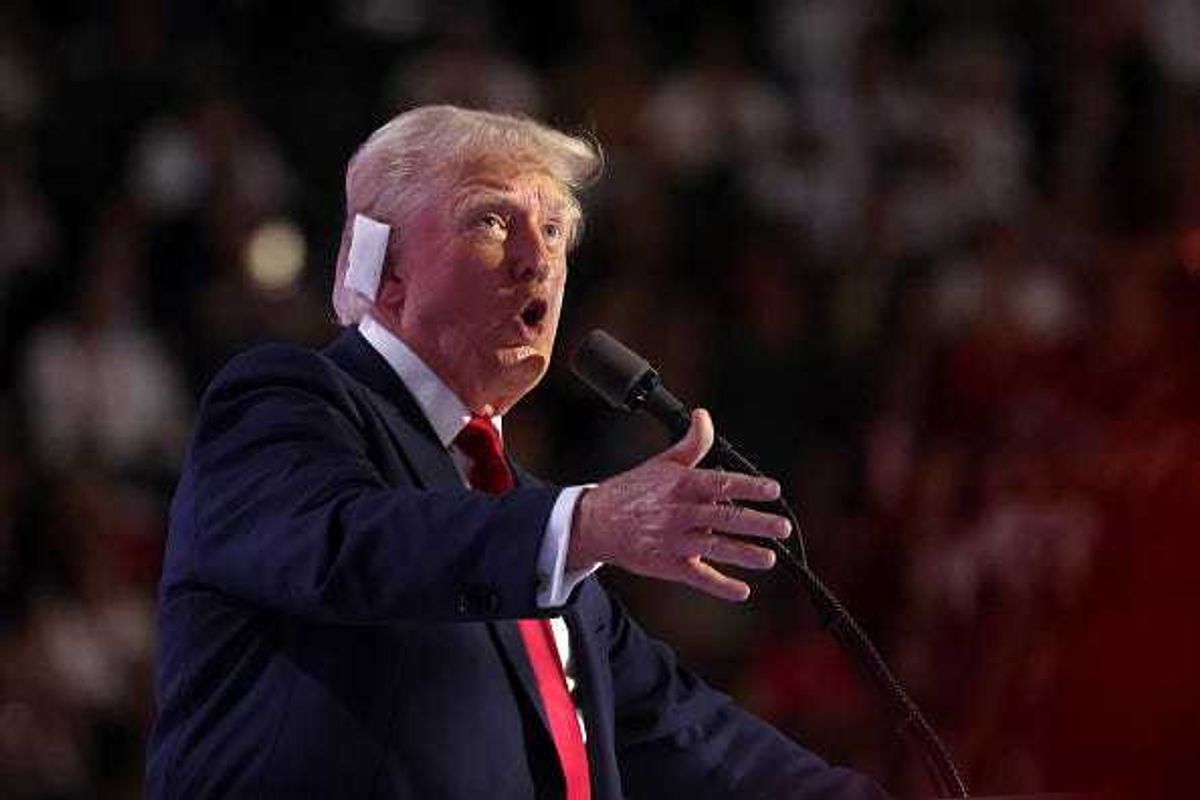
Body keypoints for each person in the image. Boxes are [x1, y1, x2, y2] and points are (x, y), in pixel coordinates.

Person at [147, 105, 888, 799]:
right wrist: (587, 523)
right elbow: (348, 545)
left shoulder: (524, 522)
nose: (540, 261)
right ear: (387, 266)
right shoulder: (282, 404)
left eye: (558, 230)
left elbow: (677, 726)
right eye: (494, 220)